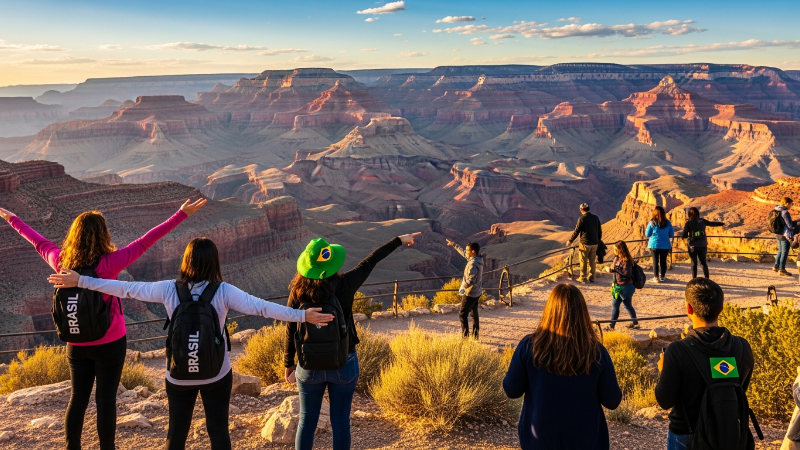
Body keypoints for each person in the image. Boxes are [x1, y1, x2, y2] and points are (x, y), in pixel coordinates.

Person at [48, 237, 335, 450]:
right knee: (218, 431)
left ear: (186, 261)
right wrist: (302, 315)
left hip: (178, 375)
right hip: (216, 374)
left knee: (176, 433)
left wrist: (81, 281)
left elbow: (125, 289)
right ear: (214, 262)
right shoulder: (223, 291)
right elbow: (261, 308)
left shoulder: (168, 289)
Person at [0, 198, 205, 450]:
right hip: (110, 342)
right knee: (106, 400)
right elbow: (146, 241)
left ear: (73, 235)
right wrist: (180, 214)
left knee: (77, 399)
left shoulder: (61, 261)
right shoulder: (110, 263)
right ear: (103, 235)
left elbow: (38, 242)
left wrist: (13, 220)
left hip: (76, 342)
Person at [284, 232, 421, 450]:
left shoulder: (298, 290)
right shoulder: (347, 283)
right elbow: (372, 260)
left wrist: (289, 363)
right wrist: (398, 240)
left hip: (308, 364)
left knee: (306, 421)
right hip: (344, 360)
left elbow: (291, 327)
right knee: (340, 421)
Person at [503, 283, 622, 450]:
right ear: (582, 314)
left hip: (539, 440)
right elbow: (612, 401)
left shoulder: (528, 347)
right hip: (585, 440)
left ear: (549, 311)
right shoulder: (597, 353)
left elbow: (511, 390)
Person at [655, 278, 755, 450]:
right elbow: (739, 389)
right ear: (721, 307)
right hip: (727, 433)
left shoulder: (678, 351)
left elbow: (664, 401)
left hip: (686, 435)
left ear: (688, 308)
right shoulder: (742, 347)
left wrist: (663, 370)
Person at [446, 239, 484, 340]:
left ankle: (465, 337)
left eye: (468, 250)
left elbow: (471, 279)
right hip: (477, 291)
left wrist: (463, 287)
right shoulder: (478, 259)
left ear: (473, 252)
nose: (466, 252)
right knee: (474, 314)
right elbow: (464, 253)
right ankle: (475, 336)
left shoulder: (472, 264)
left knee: (462, 315)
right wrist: (454, 244)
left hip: (470, 293)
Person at [681, 207, 724, 279]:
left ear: (689, 214)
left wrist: (684, 237)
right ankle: (707, 278)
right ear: (698, 213)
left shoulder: (688, 223)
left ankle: (694, 279)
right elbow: (712, 223)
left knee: (694, 262)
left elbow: (684, 235)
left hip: (692, 245)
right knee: (703, 262)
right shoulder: (703, 221)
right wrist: (721, 224)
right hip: (703, 245)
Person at [566, 202, 603, 283]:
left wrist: (570, 240)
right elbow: (599, 230)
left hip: (585, 243)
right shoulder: (595, 217)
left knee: (583, 261)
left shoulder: (581, 219)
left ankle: (582, 278)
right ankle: (591, 277)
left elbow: (576, 231)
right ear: (588, 208)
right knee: (592, 261)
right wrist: (598, 240)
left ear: (581, 210)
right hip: (594, 243)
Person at [609, 241, 639, 330]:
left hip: (626, 287)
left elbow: (626, 273)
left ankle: (612, 327)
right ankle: (612, 326)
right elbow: (615, 270)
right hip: (617, 286)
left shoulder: (627, 261)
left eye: (615, 249)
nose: (614, 250)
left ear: (620, 250)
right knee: (618, 306)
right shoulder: (616, 258)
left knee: (625, 305)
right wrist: (611, 270)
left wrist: (615, 269)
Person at [646, 206, 674, 283]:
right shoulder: (668, 223)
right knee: (663, 261)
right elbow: (671, 234)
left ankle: (656, 278)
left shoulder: (652, 222)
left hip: (654, 245)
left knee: (655, 261)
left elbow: (647, 234)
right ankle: (663, 277)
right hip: (665, 245)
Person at [773, 197, 797, 276]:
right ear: (787, 203)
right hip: (785, 235)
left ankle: (776, 266)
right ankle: (782, 270)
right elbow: (789, 225)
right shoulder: (785, 212)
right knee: (784, 252)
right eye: (791, 204)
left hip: (778, 233)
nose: (791, 205)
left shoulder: (777, 209)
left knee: (780, 250)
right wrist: (796, 224)